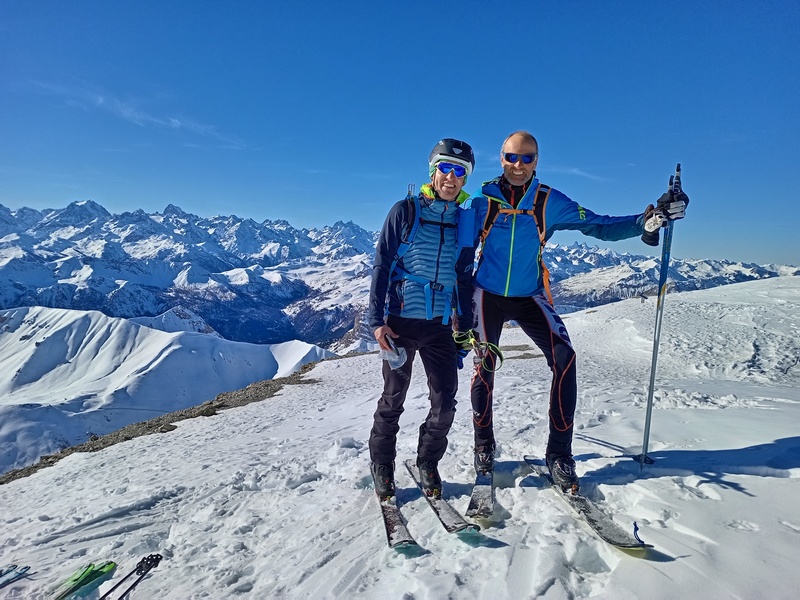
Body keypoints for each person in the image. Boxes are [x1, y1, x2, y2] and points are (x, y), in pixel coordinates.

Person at [460, 130, 689, 491]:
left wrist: (646, 221)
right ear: (501, 158)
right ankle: (484, 445)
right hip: (486, 294)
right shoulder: (481, 200)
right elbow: (457, 245)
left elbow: (597, 224)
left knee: (565, 359)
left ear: (536, 161)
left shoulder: (548, 201)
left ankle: (559, 454)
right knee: (484, 365)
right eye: (512, 157)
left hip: (530, 295)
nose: (518, 165)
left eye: (527, 158)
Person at [368, 138, 476, 499]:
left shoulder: (464, 221)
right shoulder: (405, 211)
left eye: (460, 171)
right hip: (399, 323)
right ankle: (382, 465)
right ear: (433, 171)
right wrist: (376, 321)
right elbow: (382, 265)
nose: (451, 177)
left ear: (465, 178)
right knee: (393, 398)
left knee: (444, 403)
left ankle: (427, 461)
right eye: (445, 168)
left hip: (440, 327)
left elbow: (464, 275)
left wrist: (466, 324)